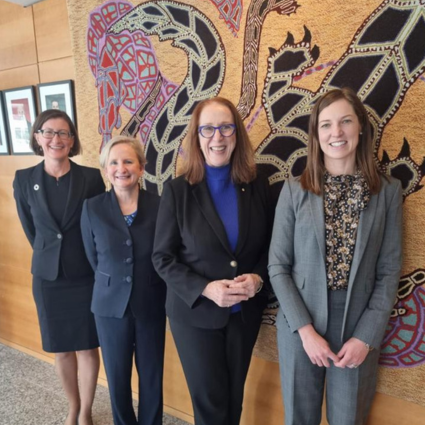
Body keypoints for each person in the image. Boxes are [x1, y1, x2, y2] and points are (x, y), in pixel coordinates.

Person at [268, 87, 403, 425]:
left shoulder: (387, 193)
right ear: (316, 135)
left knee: (348, 419)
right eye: (326, 125)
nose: (336, 132)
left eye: (345, 121)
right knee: (300, 418)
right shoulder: (294, 190)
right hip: (301, 322)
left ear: (360, 129)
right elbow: (278, 267)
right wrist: (305, 330)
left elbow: (388, 272)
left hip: (357, 326)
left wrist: (366, 336)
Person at [152, 97, 272, 425]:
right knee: (210, 405)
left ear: (237, 134)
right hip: (195, 315)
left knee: (234, 400)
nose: (217, 137)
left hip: (244, 314)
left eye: (225, 127)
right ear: (197, 136)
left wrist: (258, 279)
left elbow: (273, 249)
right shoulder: (177, 191)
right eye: (208, 129)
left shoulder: (259, 184)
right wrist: (206, 289)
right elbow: (162, 257)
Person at [13, 110, 105, 425]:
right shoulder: (24, 179)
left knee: (87, 347)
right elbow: (32, 230)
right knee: (62, 349)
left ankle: (86, 411)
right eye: (49, 132)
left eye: (64, 133)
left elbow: (98, 226)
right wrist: (49, 252)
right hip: (48, 277)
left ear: (72, 139)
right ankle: (72, 407)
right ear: (37, 137)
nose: (56, 139)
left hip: (85, 275)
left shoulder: (91, 178)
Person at [80, 136, 166, 425]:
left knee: (151, 376)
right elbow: (94, 258)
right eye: (113, 162)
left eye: (128, 161)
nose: (121, 168)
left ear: (142, 167)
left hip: (151, 303)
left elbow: (167, 253)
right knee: (117, 378)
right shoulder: (92, 208)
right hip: (109, 305)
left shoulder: (161, 205)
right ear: (106, 170)